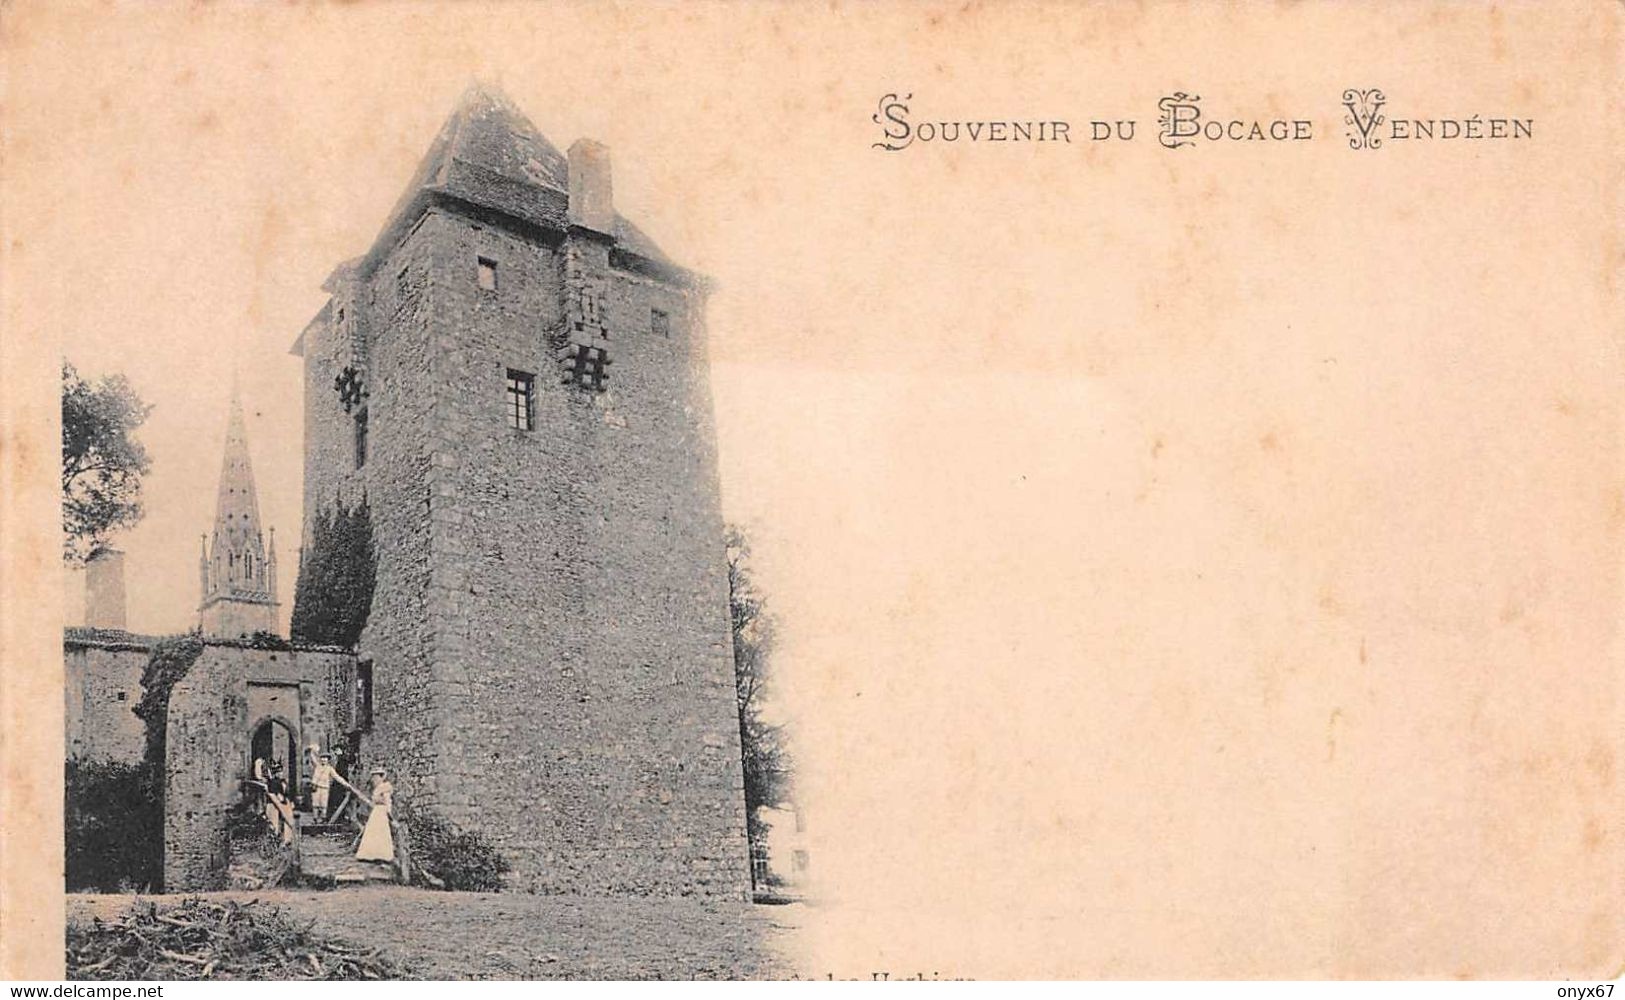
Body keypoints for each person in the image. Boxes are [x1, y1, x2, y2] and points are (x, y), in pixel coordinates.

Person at [355, 766, 395, 863]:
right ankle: (369, 855)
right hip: (376, 812)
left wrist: (389, 814)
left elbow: (387, 801)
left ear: (382, 777)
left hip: (382, 811)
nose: (374, 780)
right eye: (373, 777)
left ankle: (382, 855)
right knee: (373, 832)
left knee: (381, 833)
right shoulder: (377, 788)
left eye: (376, 777)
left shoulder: (385, 787)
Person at [311, 752, 336, 821]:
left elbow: (337, 777)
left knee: (324, 805)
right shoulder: (317, 767)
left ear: (328, 760)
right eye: (322, 758)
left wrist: (346, 784)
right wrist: (312, 750)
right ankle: (315, 819)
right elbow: (313, 758)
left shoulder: (329, 769)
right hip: (316, 788)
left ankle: (323, 819)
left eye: (325, 758)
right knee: (315, 804)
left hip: (325, 788)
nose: (323, 760)